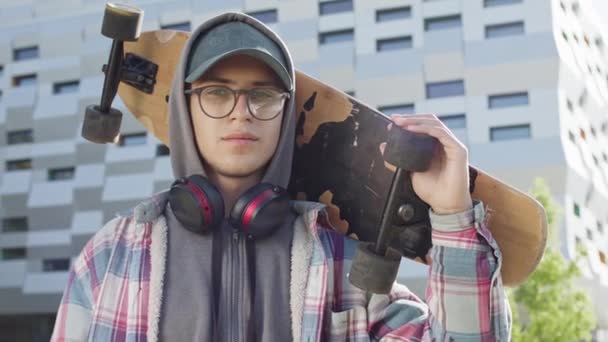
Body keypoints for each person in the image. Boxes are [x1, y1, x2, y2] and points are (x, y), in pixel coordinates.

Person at [51, 12, 511, 342]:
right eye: (216, 93)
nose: (241, 114)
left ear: (287, 114)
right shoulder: (112, 256)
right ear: (184, 109)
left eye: (264, 96)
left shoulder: (344, 270)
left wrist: (453, 215)